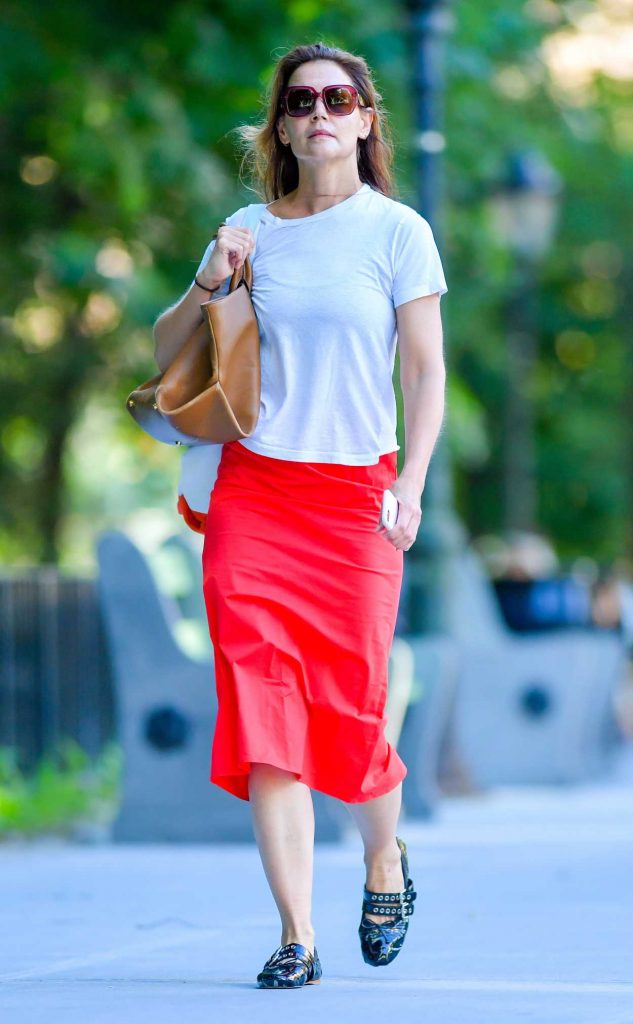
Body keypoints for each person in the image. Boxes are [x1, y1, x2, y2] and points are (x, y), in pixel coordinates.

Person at [153, 41, 448, 989]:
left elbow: (424, 371)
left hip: (355, 498)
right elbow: (167, 356)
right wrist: (212, 278)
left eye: (338, 97)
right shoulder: (247, 229)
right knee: (262, 712)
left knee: (352, 711)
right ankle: (296, 935)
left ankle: (383, 860)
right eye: (301, 100)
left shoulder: (397, 230)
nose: (319, 112)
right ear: (281, 125)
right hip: (256, 498)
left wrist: (411, 484)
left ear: (365, 120)